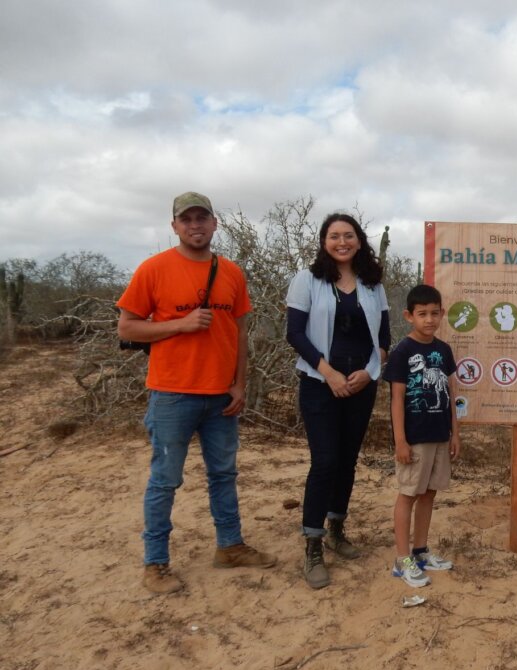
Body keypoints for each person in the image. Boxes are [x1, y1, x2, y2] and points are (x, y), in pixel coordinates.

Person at [118, 191, 276, 595]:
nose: (195, 225)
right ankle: (155, 563)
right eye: (186, 219)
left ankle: (230, 546)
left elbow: (239, 332)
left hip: (221, 396)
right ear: (174, 226)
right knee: (165, 480)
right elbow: (128, 328)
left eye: (201, 218)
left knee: (223, 475)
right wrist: (179, 325)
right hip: (172, 394)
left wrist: (240, 384)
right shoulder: (153, 270)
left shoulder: (232, 273)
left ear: (214, 223)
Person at [285, 213, 391, 589]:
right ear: (324, 241)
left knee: (347, 460)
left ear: (360, 241)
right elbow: (294, 333)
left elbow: (384, 336)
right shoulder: (308, 279)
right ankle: (312, 544)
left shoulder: (372, 285)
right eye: (334, 236)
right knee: (325, 461)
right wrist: (328, 372)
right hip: (319, 382)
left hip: (362, 384)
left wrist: (368, 371)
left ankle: (336, 530)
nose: (341, 242)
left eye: (348, 235)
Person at [383, 284, 461, 588]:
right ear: (409, 316)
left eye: (434, 313)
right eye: (422, 314)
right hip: (414, 437)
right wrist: (400, 441)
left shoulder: (443, 350)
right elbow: (396, 399)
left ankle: (420, 550)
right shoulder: (403, 352)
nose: (429, 319)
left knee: (429, 493)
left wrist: (455, 433)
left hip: (440, 434)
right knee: (408, 495)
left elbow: (451, 393)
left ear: (442, 313)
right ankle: (402, 561)